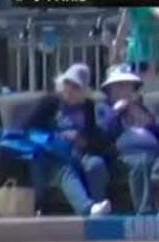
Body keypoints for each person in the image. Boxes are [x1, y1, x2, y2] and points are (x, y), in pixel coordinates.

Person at [97, 64, 159, 214]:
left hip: (155, 159)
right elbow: (102, 133)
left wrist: (151, 123)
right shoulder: (103, 109)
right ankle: (146, 213)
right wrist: (116, 112)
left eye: (128, 87)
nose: (125, 91)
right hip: (124, 159)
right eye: (119, 86)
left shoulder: (142, 108)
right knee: (142, 161)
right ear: (110, 90)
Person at [21, 63, 113, 217]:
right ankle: (87, 209)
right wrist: (56, 136)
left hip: (80, 153)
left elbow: (96, 136)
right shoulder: (50, 103)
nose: (69, 90)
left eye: (75, 87)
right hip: (53, 154)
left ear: (84, 91)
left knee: (96, 164)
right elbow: (28, 128)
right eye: (66, 83)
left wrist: (82, 138)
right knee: (65, 169)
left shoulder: (88, 107)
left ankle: (99, 205)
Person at [110, 6, 159, 81]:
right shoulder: (130, 9)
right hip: (136, 48)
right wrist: (116, 49)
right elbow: (123, 26)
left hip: (151, 48)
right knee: (135, 77)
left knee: (148, 78)